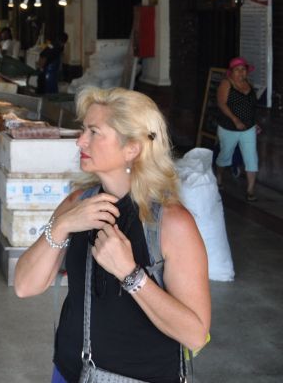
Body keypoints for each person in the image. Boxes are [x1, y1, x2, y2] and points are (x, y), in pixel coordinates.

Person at [14, 87, 211, 383]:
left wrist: (130, 274)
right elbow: (24, 286)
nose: (80, 140)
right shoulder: (77, 203)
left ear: (131, 148)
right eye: (83, 130)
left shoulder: (171, 224)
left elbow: (195, 334)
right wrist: (62, 225)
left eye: (94, 132)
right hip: (70, 372)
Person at [215, 57, 260, 201]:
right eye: (237, 70)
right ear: (231, 72)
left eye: (243, 69)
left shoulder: (249, 85)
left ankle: (250, 190)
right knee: (225, 155)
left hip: (248, 128)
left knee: (251, 157)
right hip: (229, 128)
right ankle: (219, 176)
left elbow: (252, 107)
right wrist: (235, 120)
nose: (241, 73)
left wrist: (255, 123)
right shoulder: (226, 84)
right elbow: (222, 104)